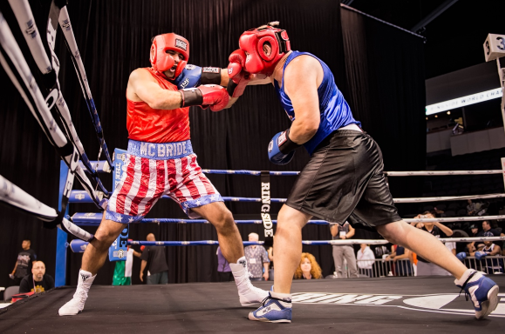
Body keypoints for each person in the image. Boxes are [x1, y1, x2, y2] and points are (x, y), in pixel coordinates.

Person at [226, 22, 499, 323]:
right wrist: (207, 77)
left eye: (249, 53)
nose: (248, 62)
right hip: (359, 147)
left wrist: (285, 141)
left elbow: (308, 124)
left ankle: (279, 301)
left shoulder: (298, 67)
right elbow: (239, 79)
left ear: (265, 50)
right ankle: (474, 279)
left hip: (340, 146)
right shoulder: (281, 72)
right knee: (394, 228)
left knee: (289, 218)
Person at [59, 32, 267, 316]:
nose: (177, 61)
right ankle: (80, 295)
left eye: (182, 56)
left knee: (224, 217)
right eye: (172, 53)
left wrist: (248, 73)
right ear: (156, 52)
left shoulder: (191, 75)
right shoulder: (140, 77)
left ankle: (245, 290)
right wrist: (201, 94)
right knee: (106, 234)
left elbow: (228, 87)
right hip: (142, 166)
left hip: (182, 164)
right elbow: (159, 100)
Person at [414, 211, 454, 276]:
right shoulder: (419, 229)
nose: (428, 220)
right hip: (423, 261)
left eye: (430, 217)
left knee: (441, 282)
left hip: (439, 261)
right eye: (426, 218)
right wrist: (414, 223)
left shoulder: (438, 229)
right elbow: (405, 235)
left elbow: (450, 233)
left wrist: (436, 223)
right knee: (422, 283)